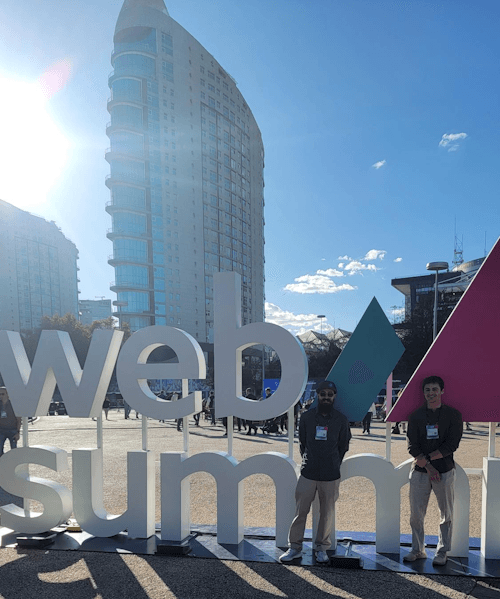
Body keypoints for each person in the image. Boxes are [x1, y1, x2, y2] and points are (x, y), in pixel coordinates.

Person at [279, 380, 351, 564]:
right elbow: (302, 442)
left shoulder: (341, 420)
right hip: (308, 471)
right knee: (300, 512)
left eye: (330, 394)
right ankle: (294, 547)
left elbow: (343, 446)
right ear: (318, 395)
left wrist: (333, 461)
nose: (326, 397)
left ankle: (321, 548)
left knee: (326, 513)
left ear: (334, 396)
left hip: (331, 473)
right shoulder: (307, 417)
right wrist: (309, 458)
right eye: (323, 393)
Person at [403, 375, 463, 567]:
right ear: (424, 393)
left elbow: (451, 445)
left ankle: (442, 551)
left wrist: (430, 461)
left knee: (446, 514)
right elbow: (412, 446)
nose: (431, 393)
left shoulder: (453, 415)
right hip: (421, 471)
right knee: (416, 514)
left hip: (444, 470)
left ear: (442, 391)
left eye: (434, 389)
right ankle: (417, 549)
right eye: (427, 390)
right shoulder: (416, 416)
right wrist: (428, 466)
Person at [0, 387, 21, 457]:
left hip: (12, 430)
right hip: (1, 430)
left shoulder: (14, 405)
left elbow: (19, 420)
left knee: (14, 450)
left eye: (2, 394)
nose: (1, 396)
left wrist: (18, 432)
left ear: (7, 394)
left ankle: (14, 465)